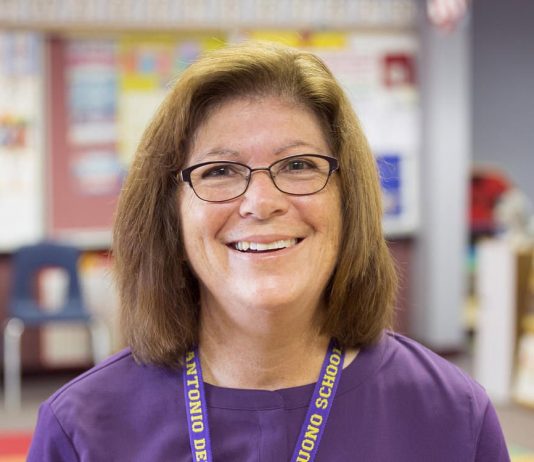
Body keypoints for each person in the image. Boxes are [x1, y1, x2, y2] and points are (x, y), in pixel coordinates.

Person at [28, 42, 510, 461]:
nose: (261, 203)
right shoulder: (82, 430)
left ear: (348, 200)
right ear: (170, 214)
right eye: (220, 171)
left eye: (298, 165)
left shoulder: (452, 416)